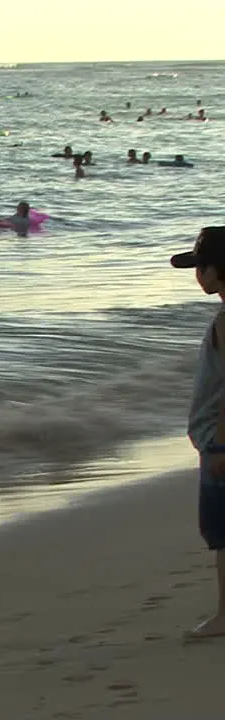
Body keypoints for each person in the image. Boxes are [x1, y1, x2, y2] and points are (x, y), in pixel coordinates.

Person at [168, 227, 225, 639]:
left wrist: (220, 444)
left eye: (199, 267)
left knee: (223, 532)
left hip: (221, 439)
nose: (197, 277)